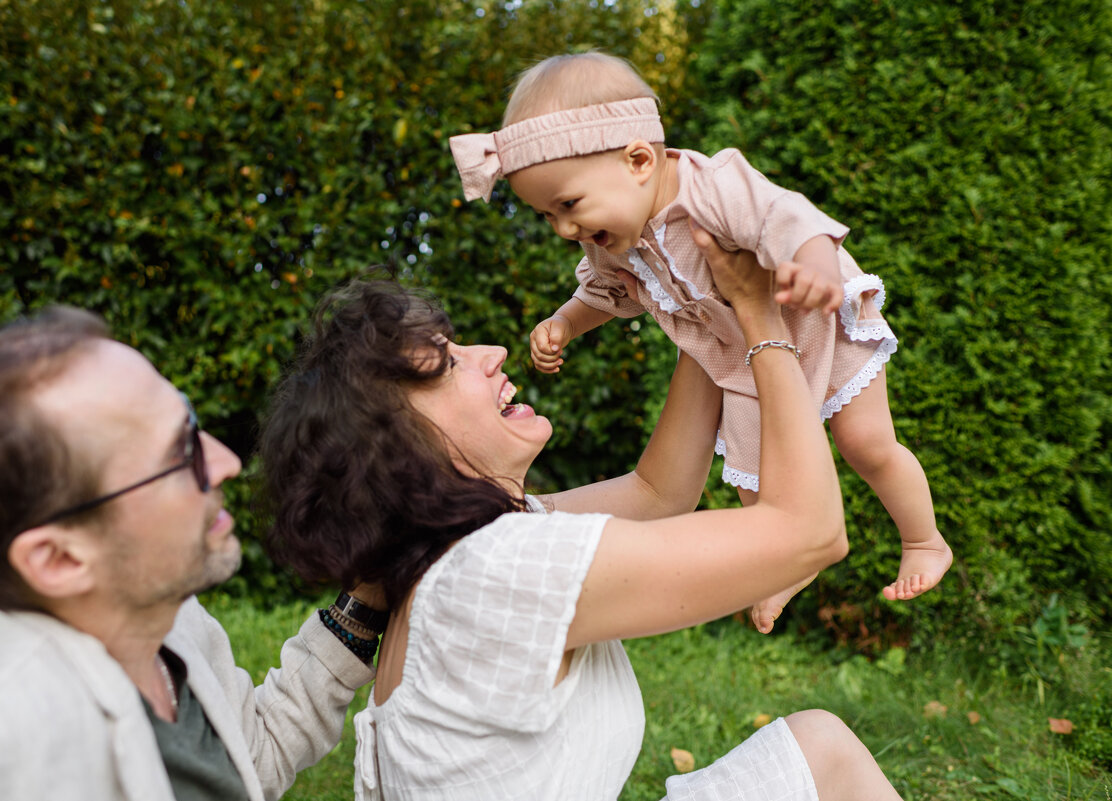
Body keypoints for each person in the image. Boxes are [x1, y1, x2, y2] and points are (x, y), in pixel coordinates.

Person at [258, 234, 903, 799]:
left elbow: (658, 493)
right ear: (396, 450)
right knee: (824, 751)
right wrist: (761, 322)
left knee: (819, 747)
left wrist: (701, 300)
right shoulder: (493, 572)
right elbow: (810, 531)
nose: (494, 353)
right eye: (449, 365)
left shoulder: (467, 552)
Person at [448, 51, 951, 627]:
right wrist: (565, 322)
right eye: (546, 216)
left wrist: (810, 264)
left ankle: (924, 541)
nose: (564, 229)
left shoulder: (712, 187)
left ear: (639, 159)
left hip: (814, 318)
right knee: (754, 477)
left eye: (568, 205)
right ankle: (785, 559)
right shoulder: (615, 239)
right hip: (743, 355)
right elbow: (606, 294)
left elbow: (788, 218)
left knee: (867, 443)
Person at [0, 307, 386, 801]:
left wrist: (363, 605)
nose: (224, 462)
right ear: (59, 560)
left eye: (192, 423)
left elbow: (252, 758)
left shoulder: (161, 616)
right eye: (179, 455)